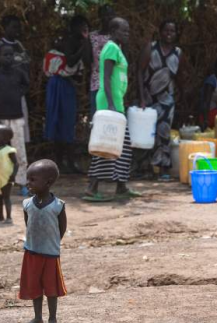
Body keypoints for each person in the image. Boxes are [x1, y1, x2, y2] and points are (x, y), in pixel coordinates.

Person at [84, 17, 141, 202]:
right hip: (109, 103)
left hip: (116, 102)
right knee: (106, 144)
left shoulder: (117, 48)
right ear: (113, 31)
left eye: (128, 31)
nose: (127, 34)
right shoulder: (110, 48)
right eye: (124, 31)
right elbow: (106, 78)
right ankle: (92, 188)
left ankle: (121, 187)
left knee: (121, 146)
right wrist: (110, 104)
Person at [20, 159, 67, 323]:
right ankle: (38, 317)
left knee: (51, 287)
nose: (28, 183)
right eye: (28, 179)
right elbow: (28, 224)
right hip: (32, 251)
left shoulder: (58, 206)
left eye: (33, 180)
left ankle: (52, 319)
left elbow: (62, 228)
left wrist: (52, 243)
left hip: (50, 253)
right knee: (34, 285)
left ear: (47, 182)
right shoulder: (27, 204)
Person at [138, 19, 185, 181]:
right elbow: (139, 72)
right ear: (160, 32)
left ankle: (163, 168)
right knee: (147, 133)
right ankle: (146, 168)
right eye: (166, 30)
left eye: (172, 31)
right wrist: (141, 97)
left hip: (167, 100)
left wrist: (182, 93)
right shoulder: (150, 48)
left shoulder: (178, 52)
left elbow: (178, 75)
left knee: (164, 133)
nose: (169, 34)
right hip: (149, 98)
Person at [44, 15, 89, 174]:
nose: (84, 28)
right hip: (60, 85)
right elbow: (70, 62)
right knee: (60, 122)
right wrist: (84, 45)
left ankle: (65, 162)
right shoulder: (71, 42)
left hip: (66, 85)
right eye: (81, 25)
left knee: (66, 123)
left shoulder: (75, 42)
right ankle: (63, 162)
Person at [0, 44, 29, 192]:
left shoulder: (19, 73)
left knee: (19, 151)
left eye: (11, 55)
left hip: (16, 118)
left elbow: (26, 85)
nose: (9, 58)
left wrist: (18, 94)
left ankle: (22, 183)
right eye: (5, 55)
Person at [0, 14, 31, 145]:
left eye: (18, 27)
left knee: (19, 128)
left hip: (18, 92)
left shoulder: (20, 46)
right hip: (2, 93)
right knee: (3, 127)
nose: (17, 30)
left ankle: (18, 157)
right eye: (13, 27)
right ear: (5, 28)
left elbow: (26, 67)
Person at [86, 5, 116, 118]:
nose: (108, 18)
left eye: (111, 15)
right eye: (105, 15)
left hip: (114, 84)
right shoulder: (92, 36)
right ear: (100, 17)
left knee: (112, 120)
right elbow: (87, 61)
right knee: (97, 118)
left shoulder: (118, 36)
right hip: (96, 83)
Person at [0, 125, 18, 224]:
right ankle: (0, 216)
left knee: (6, 197)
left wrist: (13, 175)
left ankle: (9, 217)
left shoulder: (9, 150)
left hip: (7, 178)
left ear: (5, 139)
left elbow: (16, 164)